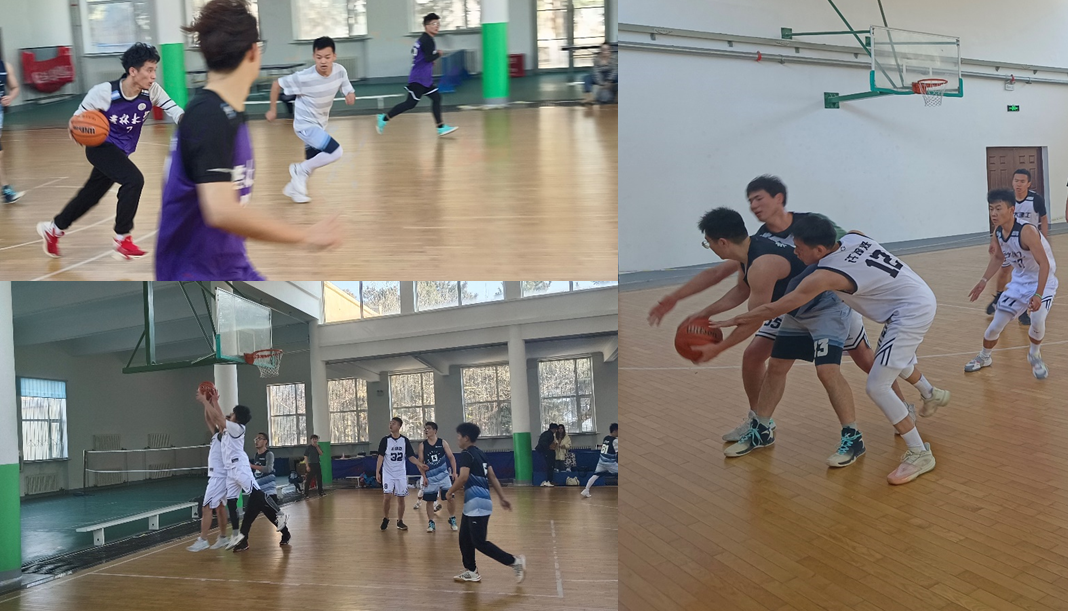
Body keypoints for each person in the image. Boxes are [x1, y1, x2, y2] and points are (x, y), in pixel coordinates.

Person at [648, 175, 914, 442]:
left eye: (758, 198)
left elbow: (755, 316)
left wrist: (719, 348)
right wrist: (693, 307)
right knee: (755, 356)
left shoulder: (803, 229)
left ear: (779, 198)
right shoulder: (756, 241)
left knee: (861, 358)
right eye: (750, 200)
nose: (754, 205)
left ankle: (902, 410)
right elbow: (737, 285)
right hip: (790, 307)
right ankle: (760, 423)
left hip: (826, 301)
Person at [712, 214, 952, 485]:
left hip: (909, 313)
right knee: (888, 360)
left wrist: (737, 319)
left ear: (819, 250)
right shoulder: (854, 237)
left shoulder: (825, 276)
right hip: (911, 298)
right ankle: (931, 393)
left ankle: (919, 452)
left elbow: (779, 306)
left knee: (877, 385)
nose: (795, 251)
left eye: (799, 247)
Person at [156, 0, 341, 280]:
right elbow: (221, 211)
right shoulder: (209, 115)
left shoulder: (227, 112)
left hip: (229, 262)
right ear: (254, 51)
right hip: (195, 271)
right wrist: (306, 235)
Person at [37, 43, 184, 259]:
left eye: (155, 70)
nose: (154, 75)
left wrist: (191, 123)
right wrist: (76, 128)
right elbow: (78, 119)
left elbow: (175, 110)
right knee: (134, 180)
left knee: (90, 195)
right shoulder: (104, 92)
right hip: (100, 147)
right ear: (133, 71)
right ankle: (122, 238)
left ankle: (53, 229)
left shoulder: (152, 91)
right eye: (149, 70)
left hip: (121, 151)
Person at [966, 189, 1056, 379]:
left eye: (998, 208)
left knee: (1038, 319)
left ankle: (1034, 355)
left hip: (1042, 280)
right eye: (991, 209)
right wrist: (983, 281)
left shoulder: (1027, 231)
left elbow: (1044, 264)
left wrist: (1038, 294)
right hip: (1019, 282)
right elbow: (999, 258)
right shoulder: (999, 231)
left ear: (1011, 210)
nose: (993, 213)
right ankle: (984, 357)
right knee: (995, 326)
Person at [196, 388, 289, 553]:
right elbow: (218, 418)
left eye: (232, 414)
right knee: (233, 503)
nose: (229, 415)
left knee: (258, 499)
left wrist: (205, 401)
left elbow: (218, 418)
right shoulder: (226, 430)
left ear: (236, 418)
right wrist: (214, 401)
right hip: (231, 471)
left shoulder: (237, 428)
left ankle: (280, 514)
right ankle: (238, 536)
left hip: (240, 468)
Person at [266, 36, 355, 203]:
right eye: (319, 57)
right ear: (314, 56)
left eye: (327, 57)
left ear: (334, 56)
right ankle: (298, 170)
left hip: (320, 125)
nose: (323, 61)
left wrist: (349, 95)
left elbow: (347, 87)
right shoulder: (304, 77)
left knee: (312, 162)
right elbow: (276, 84)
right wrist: (272, 109)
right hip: (305, 125)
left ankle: (294, 190)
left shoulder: (340, 71)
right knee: (336, 152)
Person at [446, 422, 526, 584]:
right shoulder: (481, 453)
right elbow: (492, 476)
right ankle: (471, 571)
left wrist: (450, 491)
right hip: (476, 503)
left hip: (477, 504)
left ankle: (514, 561)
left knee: (479, 542)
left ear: (466, 438)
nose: (457, 439)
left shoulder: (466, 454)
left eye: (459, 436)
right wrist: (502, 497)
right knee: (464, 538)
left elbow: (463, 477)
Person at [376, 13, 457, 137]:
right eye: (434, 24)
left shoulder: (423, 39)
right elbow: (428, 57)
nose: (437, 26)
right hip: (419, 79)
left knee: (436, 98)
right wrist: (438, 54)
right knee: (410, 104)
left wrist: (428, 61)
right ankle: (383, 119)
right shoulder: (428, 40)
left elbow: (417, 54)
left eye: (438, 24)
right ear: (426, 26)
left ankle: (441, 127)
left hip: (425, 79)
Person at [987, 169, 1047, 325]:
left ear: (1028, 183)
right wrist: (994, 240)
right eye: (1016, 181)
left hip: (1028, 244)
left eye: (1022, 181)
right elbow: (1000, 223)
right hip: (1010, 242)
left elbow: (1044, 218)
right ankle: (999, 297)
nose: (1018, 184)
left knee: (1028, 276)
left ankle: (1024, 311)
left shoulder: (1035, 199)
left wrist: (1045, 239)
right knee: (1004, 270)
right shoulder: (1007, 200)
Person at [187, 409, 231, 551]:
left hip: (218, 477)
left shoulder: (226, 436)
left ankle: (203, 539)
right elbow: (208, 419)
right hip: (221, 477)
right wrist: (206, 403)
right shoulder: (217, 434)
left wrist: (208, 402)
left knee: (206, 507)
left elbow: (216, 417)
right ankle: (223, 537)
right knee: (220, 507)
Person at [376, 417, 426, 531]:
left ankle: (400, 521)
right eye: (390, 423)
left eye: (393, 423)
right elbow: (380, 457)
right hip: (388, 473)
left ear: (399, 426)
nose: (391, 425)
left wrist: (420, 464)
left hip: (400, 474)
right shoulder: (385, 440)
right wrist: (377, 471)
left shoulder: (404, 440)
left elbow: (411, 456)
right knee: (387, 496)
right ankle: (386, 517)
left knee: (401, 498)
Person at [250, 432, 290, 546]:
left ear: (265, 441)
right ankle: (243, 540)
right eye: (256, 439)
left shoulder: (269, 454)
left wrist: (251, 466)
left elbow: (268, 469)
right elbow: (257, 472)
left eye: (259, 438)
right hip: (258, 491)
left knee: (272, 517)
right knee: (248, 517)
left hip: (269, 491)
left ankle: (286, 533)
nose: (257, 441)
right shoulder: (256, 455)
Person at [418, 421, 458, 533]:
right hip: (430, 478)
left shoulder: (442, 443)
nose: (426, 430)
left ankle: (452, 518)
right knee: (430, 501)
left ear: (435, 431)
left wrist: (454, 472)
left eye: (429, 428)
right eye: (425, 428)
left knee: (450, 497)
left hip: (444, 476)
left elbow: (451, 457)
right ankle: (431, 522)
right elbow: (420, 464)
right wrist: (424, 477)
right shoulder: (422, 445)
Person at [0, 59, 24, 203]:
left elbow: (14, 87)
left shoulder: (5, 67)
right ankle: (6, 190)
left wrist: (10, 97)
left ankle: (6, 190)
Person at [581, 423, 617, 498]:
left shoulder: (606, 438)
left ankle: (586, 489)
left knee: (595, 475)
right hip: (610, 463)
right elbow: (617, 453)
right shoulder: (615, 441)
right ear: (615, 431)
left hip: (601, 462)